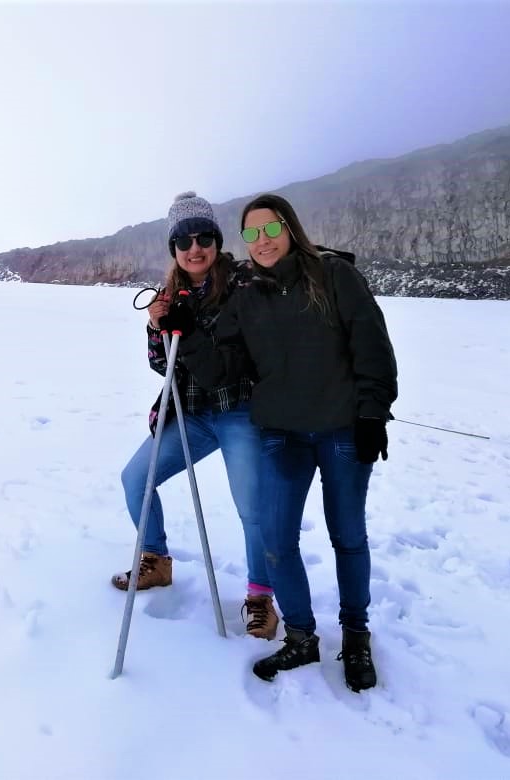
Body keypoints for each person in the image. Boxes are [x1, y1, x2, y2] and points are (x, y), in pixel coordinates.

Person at [178, 193, 398, 691]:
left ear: (289, 227)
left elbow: (372, 345)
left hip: (343, 429)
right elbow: (220, 372)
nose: (262, 241)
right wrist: (185, 333)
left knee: (347, 536)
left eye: (270, 229)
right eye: (251, 234)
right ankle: (301, 636)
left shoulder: (333, 275)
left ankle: (356, 635)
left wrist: (372, 414)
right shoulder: (246, 299)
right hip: (282, 434)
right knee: (277, 541)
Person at [112, 191, 279, 640]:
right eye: (183, 240)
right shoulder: (171, 292)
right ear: (174, 247)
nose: (194, 247)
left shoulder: (244, 282)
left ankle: (260, 596)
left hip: (239, 411)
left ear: (217, 240)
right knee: (136, 479)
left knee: (251, 507)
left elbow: (246, 352)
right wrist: (155, 326)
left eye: (204, 236)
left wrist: (192, 329)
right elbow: (161, 363)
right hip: (191, 415)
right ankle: (156, 560)